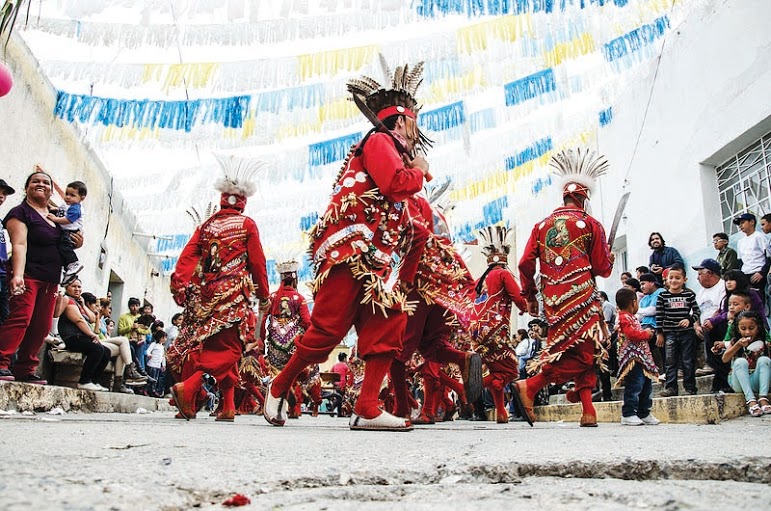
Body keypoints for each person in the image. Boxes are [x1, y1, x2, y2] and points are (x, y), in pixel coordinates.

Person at [264, 61, 429, 431]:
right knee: (326, 332)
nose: (418, 129)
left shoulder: (392, 150)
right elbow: (395, 183)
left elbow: (403, 215)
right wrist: (421, 169)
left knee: (390, 320)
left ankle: (367, 406)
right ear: (401, 121)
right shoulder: (379, 141)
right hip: (350, 251)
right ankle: (280, 383)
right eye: (415, 120)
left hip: (376, 263)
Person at [514, 147, 614, 427]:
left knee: (574, 349)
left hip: (554, 300)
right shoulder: (591, 224)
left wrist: (530, 296)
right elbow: (602, 268)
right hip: (582, 296)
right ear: (584, 198)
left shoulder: (541, 225)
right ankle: (531, 385)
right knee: (586, 350)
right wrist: (611, 260)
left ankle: (588, 410)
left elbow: (524, 263)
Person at [168, 154, 269, 423]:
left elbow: (187, 257)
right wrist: (263, 294)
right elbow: (258, 263)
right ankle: (189, 387)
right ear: (243, 201)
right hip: (233, 296)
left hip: (204, 296)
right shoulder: (247, 225)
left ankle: (228, 406)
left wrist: (180, 286)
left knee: (213, 347)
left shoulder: (207, 226)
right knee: (230, 349)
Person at [0, 169, 82, 383]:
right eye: (35, 181)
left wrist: (78, 241)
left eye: (45, 182)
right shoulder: (20, 213)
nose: (41, 184)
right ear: (26, 188)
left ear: (51, 190)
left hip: (51, 280)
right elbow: (19, 244)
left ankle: (25, 368)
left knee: (42, 326)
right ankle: (1, 362)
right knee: (20, 319)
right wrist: (17, 275)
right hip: (28, 275)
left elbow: (68, 240)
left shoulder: (57, 216)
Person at [469, 225, 528, 423]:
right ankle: (468, 389)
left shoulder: (479, 280)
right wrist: (526, 306)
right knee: (511, 369)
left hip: (476, 331)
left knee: (496, 371)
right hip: (495, 329)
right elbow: (518, 297)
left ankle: (501, 412)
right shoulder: (503, 274)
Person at [614, 287, 660, 426]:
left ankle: (644, 412)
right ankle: (628, 413)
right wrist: (647, 334)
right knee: (635, 384)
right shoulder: (624, 318)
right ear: (633, 302)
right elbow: (632, 335)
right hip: (633, 359)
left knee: (646, 384)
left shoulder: (631, 317)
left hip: (641, 358)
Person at [656, 266, 702, 397]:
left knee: (688, 361)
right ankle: (671, 388)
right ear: (666, 280)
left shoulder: (689, 294)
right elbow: (659, 315)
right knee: (670, 361)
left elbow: (697, 311)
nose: (674, 280)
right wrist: (659, 333)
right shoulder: (662, 296)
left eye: (678, 278)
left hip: (687, 333)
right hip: (670, 333)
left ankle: (690, 388)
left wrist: (690, 319)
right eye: (671, 278)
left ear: (684, 279)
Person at [58, 279, 112, 391]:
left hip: (80, 337)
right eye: (74, 286)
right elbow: (78, 320)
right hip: (72, 337)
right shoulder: (68, 300)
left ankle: (93, 381)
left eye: (79, 287)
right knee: (97, 349)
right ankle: (84, 381)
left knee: (106, 352)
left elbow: (92, 319)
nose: (77, 289)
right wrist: (92, 335)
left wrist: (83, 304)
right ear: (67, 287)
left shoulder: (77, 302)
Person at [718, 310, 771, 417]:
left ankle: (763, 398)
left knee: (765, 360)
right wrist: (737, 345)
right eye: (743, 329)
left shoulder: (764, 341)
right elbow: (724, 359)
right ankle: (751, 400)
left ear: (758, 327)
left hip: (757, 381)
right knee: (740, 361)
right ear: (738, 329)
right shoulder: (734, 341)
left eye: (751, 328)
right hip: (739, 383)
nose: (747, 332)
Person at [93, 297, 146, 392]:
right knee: (124, 340)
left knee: (123, 350)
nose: (110, 311)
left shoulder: (103, 321)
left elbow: (146, 330)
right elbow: (96, 333)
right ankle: (132, 370)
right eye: (108, 308)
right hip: (96, 341)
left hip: (105, 342)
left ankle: (118, 383)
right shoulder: (93, 318)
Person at [46, 180, 87, 284]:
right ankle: (68, 270)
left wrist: (55, 219)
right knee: (62, 248)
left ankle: (73, 263)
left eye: (72, 195)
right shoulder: (69, 205)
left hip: (70, 231)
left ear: (81, 198)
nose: (68, 197)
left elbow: (68, 219)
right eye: (67, 194)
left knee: (64, 247)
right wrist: (53, 208)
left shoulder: (76, 208)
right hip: (67, 231)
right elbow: (61, 211)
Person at [692, 259, 726, 376]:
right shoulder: (700, 292)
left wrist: (710, 321)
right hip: (702, 325)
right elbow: (695, 312)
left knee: (712, 327)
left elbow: (721, 309)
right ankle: (685, 369)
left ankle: (710, 364)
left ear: (710, 273)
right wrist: (696, 326)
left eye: (700, 274)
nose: (697, 278)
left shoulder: (723, 286)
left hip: (718, 322)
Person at [733, 212, 769, 305]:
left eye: (743, 222)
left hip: (757, 274)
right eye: (739, 224)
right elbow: (741, 261)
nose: (740, 226)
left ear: (752, 222)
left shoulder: (759, 236)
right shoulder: (740, 242)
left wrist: (762, 273)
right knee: (746, 302)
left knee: (758, 302)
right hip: (745, 275)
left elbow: (768, 256)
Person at [637, 273, 665, 373]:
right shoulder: (644, 299)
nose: (642, 287)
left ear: (652, 283)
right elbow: (638, 317)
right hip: (643, 325)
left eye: (643, 284)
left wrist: (639, 310)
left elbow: (653, 311)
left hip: (656, 326)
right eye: (641, 285)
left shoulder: (660, 292)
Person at [117, 297, 152, 375]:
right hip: (128, 341)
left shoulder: (142, 317)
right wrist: (131, 327)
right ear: (129, 306)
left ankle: (139, 382)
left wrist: (138, 330)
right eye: (132, 306)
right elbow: (120, 330)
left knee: (139, 360)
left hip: (140, 342)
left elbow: (148, 331)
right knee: (129, 361)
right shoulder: (124, 317)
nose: (134, 308)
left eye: (136, 305)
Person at [0, 178, 15, 325]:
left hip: (2, 275)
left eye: (4, 194)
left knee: (4, 318)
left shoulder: (1, 222)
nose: (1, 196)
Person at [145, 330, 166, 398]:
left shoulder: (162, 347)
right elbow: (148, 350)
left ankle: (153, 390)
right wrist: (149, 355)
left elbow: (163, 356)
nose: (165, 339)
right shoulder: (154, 344)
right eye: (163, 337)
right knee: (150, 377)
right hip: (152, 364)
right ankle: (146, 389)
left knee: (155, 378)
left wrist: (163, 365)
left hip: (157, 365)